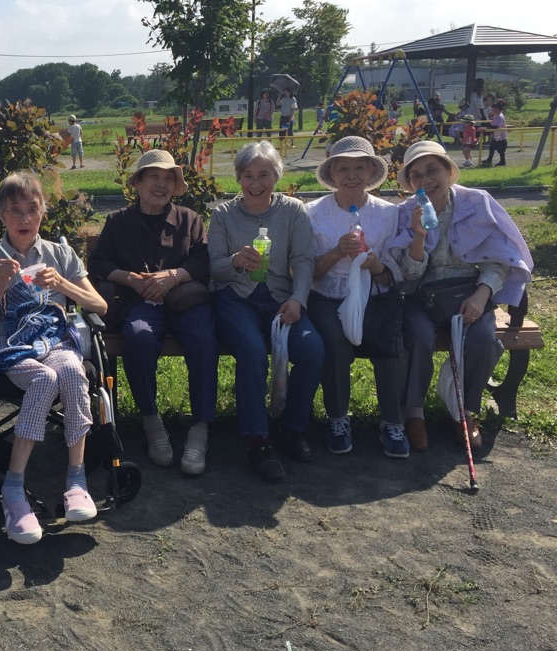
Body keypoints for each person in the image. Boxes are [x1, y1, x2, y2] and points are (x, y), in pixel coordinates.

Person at [0, 172, 107, 544]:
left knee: (74, 372)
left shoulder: (60, 255)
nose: (25, 219)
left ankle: (76, 481)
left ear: (43, 212)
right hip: (8, 344)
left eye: (32, 210)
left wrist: (62, 285)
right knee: (44, 379)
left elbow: (100, 305)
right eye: (16, 211)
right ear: (2, 215)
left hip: (54, 339)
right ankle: (13, 490)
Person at [386, 141, 533, 451]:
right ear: (409, 182)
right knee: (420, 335)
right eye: (415, 175)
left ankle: (463, 412)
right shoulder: (405, 212)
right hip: (421, 296)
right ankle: (414, 413)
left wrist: (481, 296)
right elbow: (408, 276)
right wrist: (419, 237)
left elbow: (500, 259)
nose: (425, 180)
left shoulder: (477, 202)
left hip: (470, 289)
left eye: (432, 170)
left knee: (482, 337)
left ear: (448, 171)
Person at [87, 150, 217, 475]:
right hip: (140, 301)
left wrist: (173, 276)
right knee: (139, 336)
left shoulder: (189, 218)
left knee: (203, 338)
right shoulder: (118, 222)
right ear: (139, 182)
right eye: (154, 177)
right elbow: (99, 262)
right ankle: (151, 422)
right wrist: (129, 278)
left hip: (185, 301)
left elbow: (202, 260)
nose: (162, 184)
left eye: (169, 178)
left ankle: (199, 430)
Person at [208, 141, 324, 481]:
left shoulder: (293, 211)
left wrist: (298, 300)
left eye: (264, 174)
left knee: (312, 349)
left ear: (276, 176)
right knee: (252, 350)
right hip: (236, 299)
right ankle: (257, 439)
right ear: (239, 178)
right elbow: (214, 268)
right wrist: (235, 261)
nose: (255, 183)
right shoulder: (223, 214)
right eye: (248, 175)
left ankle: (292, 428)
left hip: (280, 299)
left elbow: (303, 261)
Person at [304, 137, 408, 458]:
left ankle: (393, 422)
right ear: (331, 174)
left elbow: (394, 275)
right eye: (343, 168)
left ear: (371, 172)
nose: (351, 175)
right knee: (334, 341)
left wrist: (375, 264)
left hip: (374, 296)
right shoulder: (312, 213)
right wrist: (337, 252)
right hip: (327, 297)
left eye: (359, 167)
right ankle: (338, 419)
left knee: (391, 341)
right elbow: (309, 274)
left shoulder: (388, 214)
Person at [482, 100, 508, 167]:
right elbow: (491, 121)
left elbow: (495, 126)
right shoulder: (496, 116)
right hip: (496, 136)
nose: (492, 110)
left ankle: (503, 161)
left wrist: (485, 129)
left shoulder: (500, 116)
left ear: (498, 109)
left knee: (501, 150)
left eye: (493, 108)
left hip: (501, 137)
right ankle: (489, 159)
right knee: (492, 148)